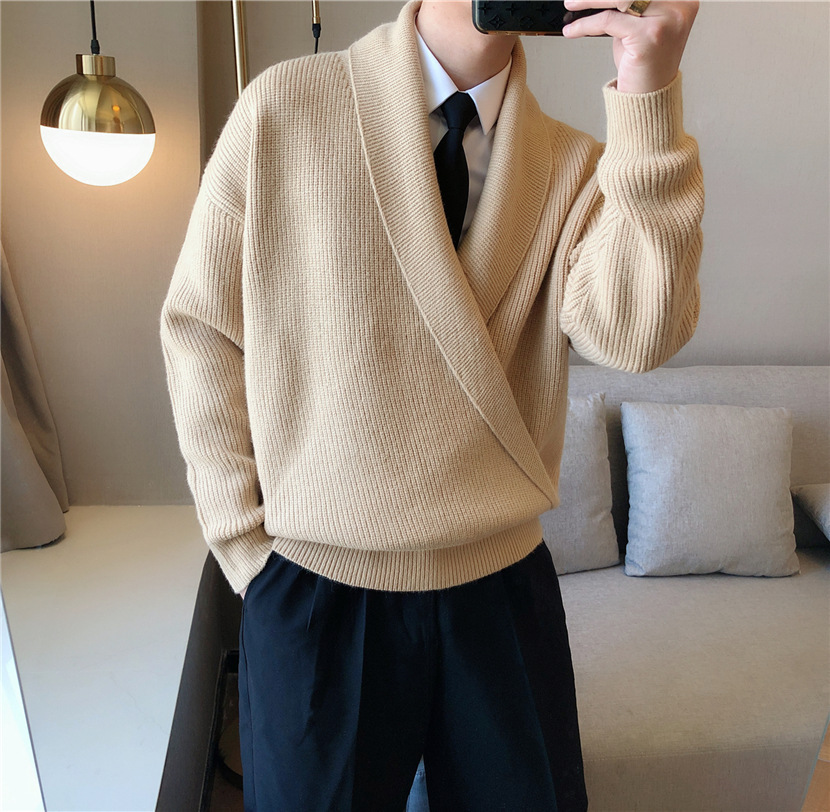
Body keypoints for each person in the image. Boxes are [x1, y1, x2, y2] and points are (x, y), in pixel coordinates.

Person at [160, 0, 702, 809]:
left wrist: (648, 88)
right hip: (318, 584)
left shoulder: (571, 167)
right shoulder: (286, 107)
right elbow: (202, 329)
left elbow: (636, 334)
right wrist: (245, 545)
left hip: (501, 584)